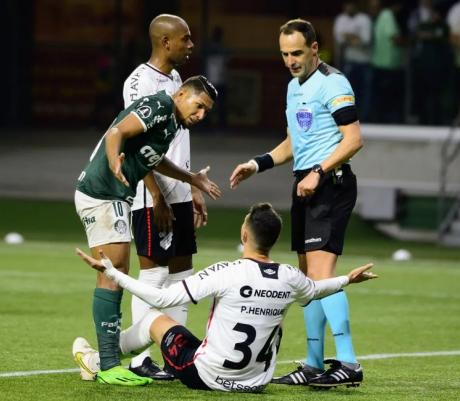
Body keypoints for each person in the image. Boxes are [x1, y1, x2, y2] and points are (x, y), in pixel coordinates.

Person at [74, 203, 377, 392]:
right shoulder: (290, 276)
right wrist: (347, 279)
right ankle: (101, 359)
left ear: (245, 235)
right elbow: (317, 289)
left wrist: (114, 274)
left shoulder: (226, 271)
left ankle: (97, 359)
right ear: (273, 240)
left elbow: (161, 298)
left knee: (154, 317)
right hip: (255, 383)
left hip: (206, 376)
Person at [229, 19, 364, 388]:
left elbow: (352, 140)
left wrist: (319, 172)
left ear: (315, 48)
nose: (290, 60)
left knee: (322, 275)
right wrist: (257, 164)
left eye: (297, 53)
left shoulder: (333, 83)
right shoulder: (293, 88)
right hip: (305, 185)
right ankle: (313, 363)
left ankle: (349, 363)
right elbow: (293, 144)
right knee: (307, 281)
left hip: (330, 185)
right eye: (285, 54)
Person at [73, 75, 221, 386]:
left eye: (206, 111)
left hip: (115, 195)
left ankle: (103, 361)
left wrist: (191, 178)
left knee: (117, 270)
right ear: (181, 94)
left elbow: (154, 159)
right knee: (113, 272)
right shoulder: (159, 104)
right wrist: (114, 162)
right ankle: (109, 364)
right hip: (102, 192)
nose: (201, 115)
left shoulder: (172, 123)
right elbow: (117, 132)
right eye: (199, 106)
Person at [120, 14, 207, 380]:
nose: (191, 45)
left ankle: (175, 355)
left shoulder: (175, 81)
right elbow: (135, 142)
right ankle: (138, 360)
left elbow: (176, 139)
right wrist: (156, 195)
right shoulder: (138, 82)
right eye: (185, 39)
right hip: (149, 195)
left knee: (182, 274)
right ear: (165, 42)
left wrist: (191, 187)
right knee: (153, 277)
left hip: (180, 192)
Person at [333, 1, 373, 121]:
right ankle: (349, 119)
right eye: (346, 4)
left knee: (365, 94)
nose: (348, 7)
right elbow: (340, 40)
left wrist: (348, 36)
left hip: (365, 62)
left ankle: (364, 120)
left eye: (351, 4)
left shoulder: (364, 19)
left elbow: (365, 40)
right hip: (349, 61)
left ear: (356, 5)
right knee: (347, 93)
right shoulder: (341, 19)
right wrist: (355, 37)